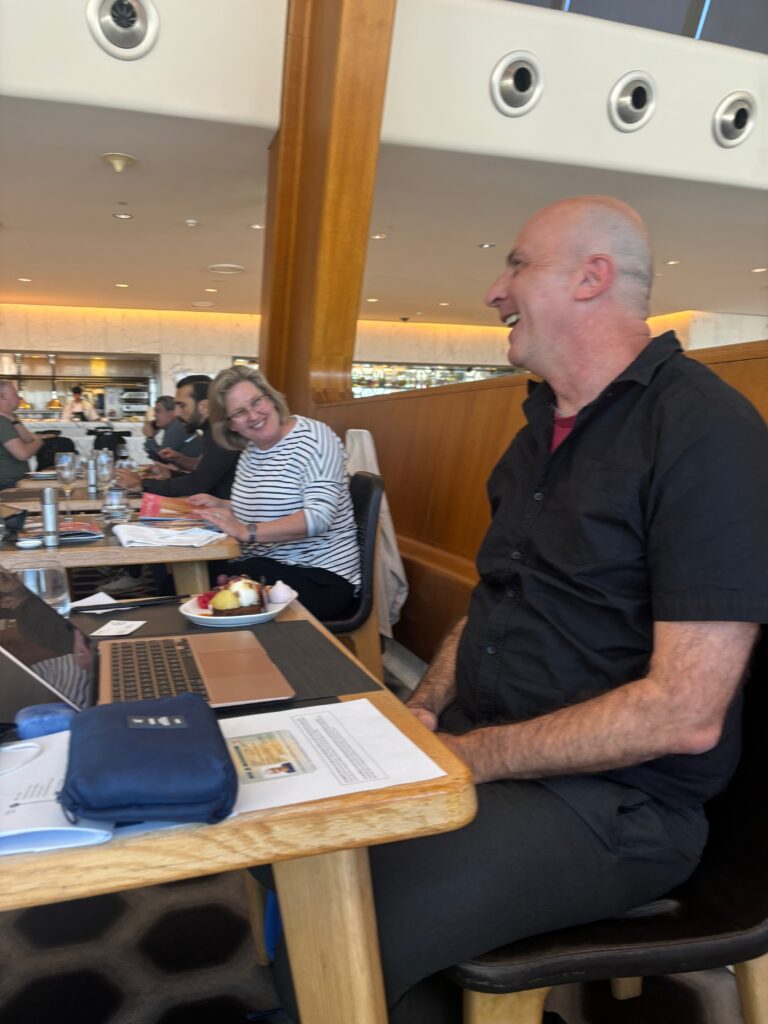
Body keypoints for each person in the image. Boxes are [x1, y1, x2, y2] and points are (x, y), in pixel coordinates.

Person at [266, 196, 768, 1024]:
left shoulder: (703, 431)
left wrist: (474, 758)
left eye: (516, 265)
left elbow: (684, 713)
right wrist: (423, 707)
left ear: (590, 278)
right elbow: (496, 598)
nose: (495, 291)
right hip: (494, 749)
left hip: (617, 805)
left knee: (350, 917)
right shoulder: (537, 432)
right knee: (304, 832)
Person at [186, 365, 360, 620]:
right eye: (240, 412)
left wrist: (247, 531)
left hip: (318, 575)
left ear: (271, 398)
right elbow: (272, 501)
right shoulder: (251, 450)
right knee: (188, 575)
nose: (254, 415)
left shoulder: (314, 438)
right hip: (266, 566)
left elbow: (318, 517)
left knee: (194, 589)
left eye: (257, 401)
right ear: (230, 425)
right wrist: (224, 505)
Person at [115, 375, 238, 499]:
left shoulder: (222, 435)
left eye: (182, 405)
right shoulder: (213, 432)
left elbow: (197, 485)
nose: (177, 413)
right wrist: (170, 474)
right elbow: (204, 477)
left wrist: (142, 484)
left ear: (204, 407)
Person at [0, 381, 42, 489]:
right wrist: (39, 442)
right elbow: (22, 454)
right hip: (8, 485)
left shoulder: (8, 419)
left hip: (14, 481)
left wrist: (13, 419)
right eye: (14, 394)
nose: (18, 397)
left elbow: (27, 439)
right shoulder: (2, 422)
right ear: (2, 396)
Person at [143, 395, 203, 465]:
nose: (154, 415)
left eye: (158, 411)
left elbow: (162, 458)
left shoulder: (177, 426)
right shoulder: (174, 425)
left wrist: (150, 437)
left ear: (172, 412)